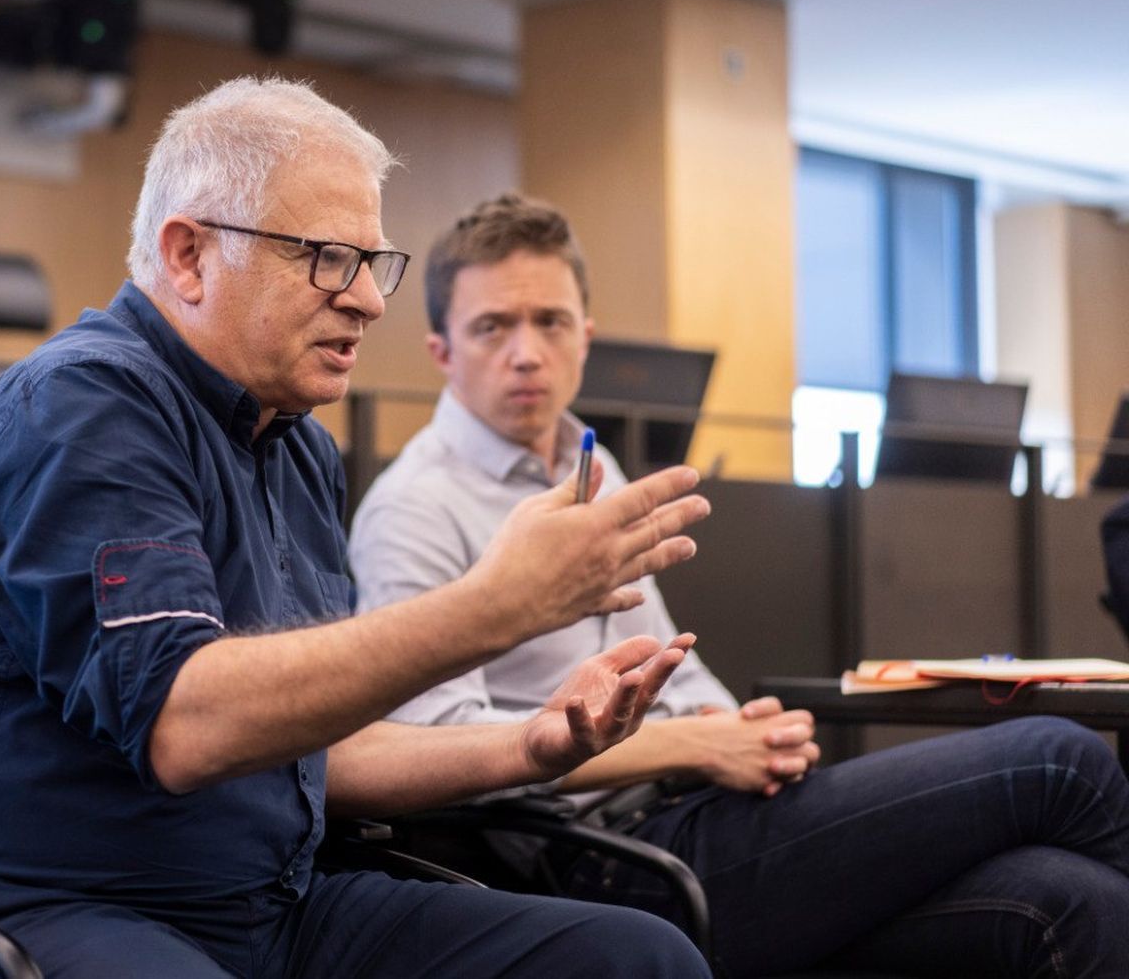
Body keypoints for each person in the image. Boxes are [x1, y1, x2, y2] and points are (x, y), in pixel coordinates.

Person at [0, 80, 717, 978]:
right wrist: (495, 606)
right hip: (14, 906)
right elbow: (186, 723)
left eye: (374, 262)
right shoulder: (82, 406)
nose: (368, 299)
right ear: (188, 256)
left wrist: (531, 745)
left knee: (635, 958)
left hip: (254, 908)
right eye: (329, 257)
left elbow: (320, 749)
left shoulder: (296, 450)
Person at [348, 191, 1129, 979]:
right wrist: (694, 743)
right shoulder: (415, 506)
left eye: (549, 322)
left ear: (585, 337)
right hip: (605, 854)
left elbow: (661, 658)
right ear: (442, 351)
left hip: (696, 809)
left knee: (1073, 902)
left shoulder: (589, 464)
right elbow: (436, 746)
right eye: (492, 327)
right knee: (1059, 758)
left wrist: (736, 727)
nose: (525, 352)